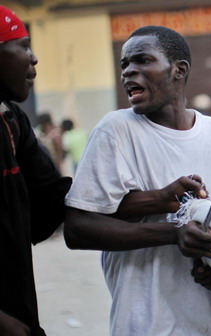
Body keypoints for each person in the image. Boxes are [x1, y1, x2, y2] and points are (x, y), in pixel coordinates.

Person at [63, 26, 211, 336]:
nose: (128, 72)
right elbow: (78, 228)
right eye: (125, 64)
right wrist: (173, 232)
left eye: (141, 61)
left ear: (179, 70)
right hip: (144, 324)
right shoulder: (116, 130)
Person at [0, 6, 72, 336]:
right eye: (24, 46)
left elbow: (53, 200)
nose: (34, 59)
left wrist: (152, 199)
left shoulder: (12, 120)